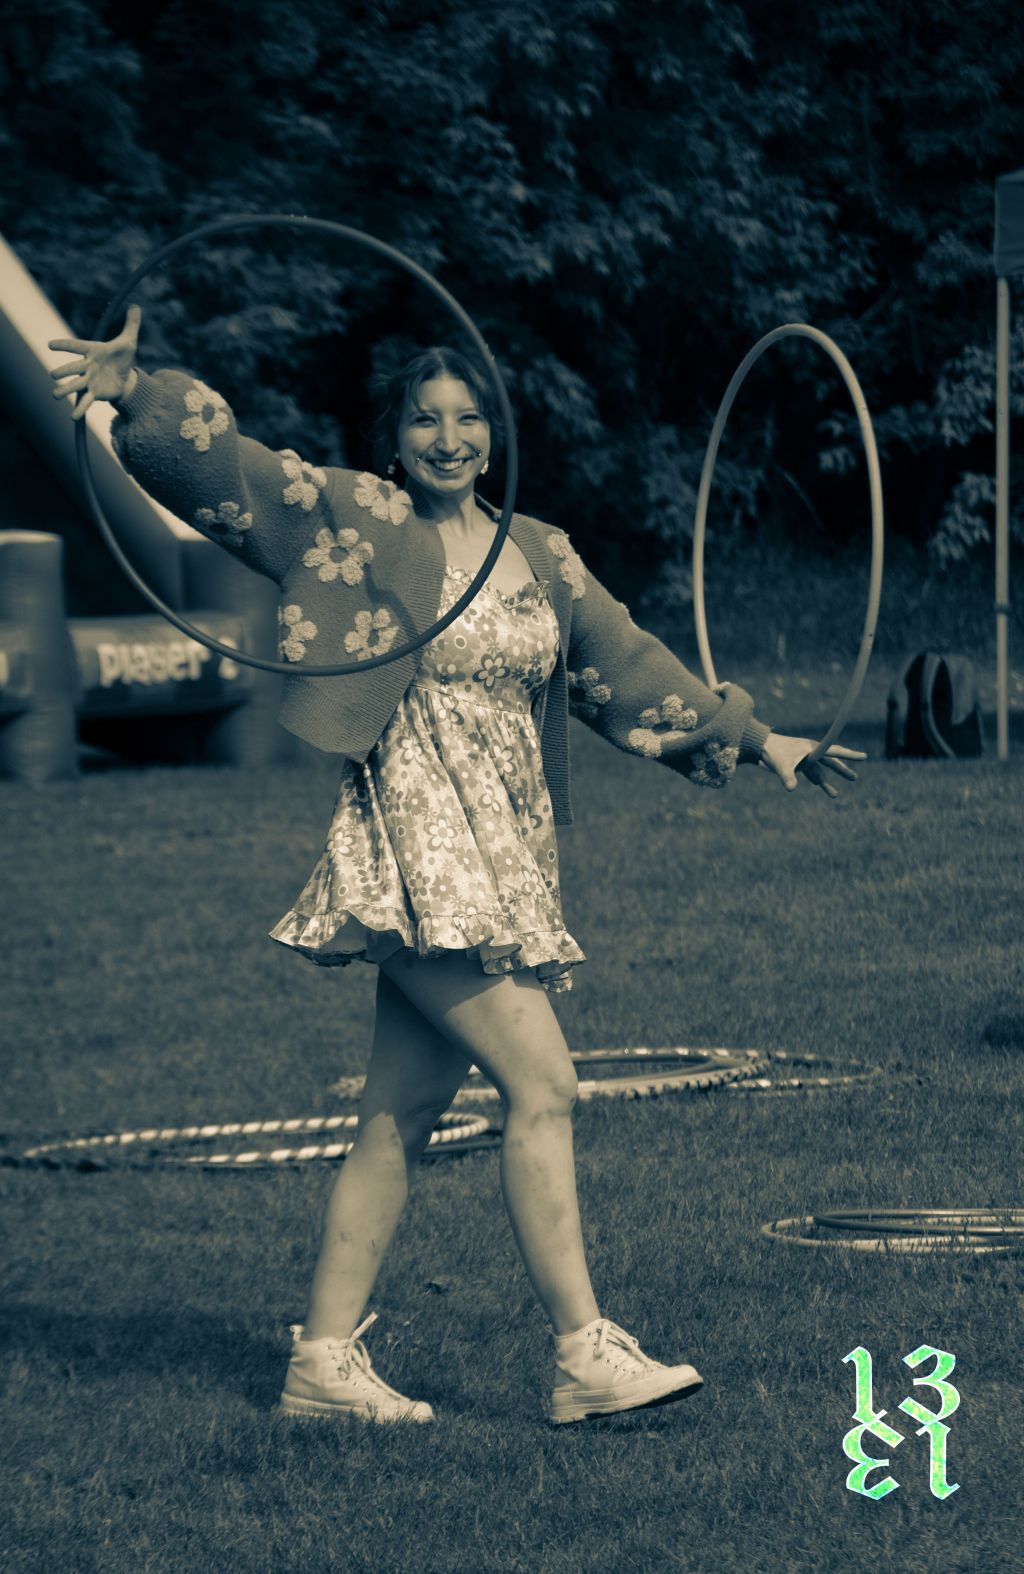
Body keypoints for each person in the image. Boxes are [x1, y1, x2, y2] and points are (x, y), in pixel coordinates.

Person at [49, 306, 865, 1427]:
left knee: (402, 1108)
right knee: (545, 1083)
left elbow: (625, 666)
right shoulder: (355, 518)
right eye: (426, 419)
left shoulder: (542, 553)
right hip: (417, 847)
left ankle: (321, 1363)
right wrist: (137, 390)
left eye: (468, 417)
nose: (449, 437)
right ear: (395, 438)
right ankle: (583, 1352)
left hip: (505, 852)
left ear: (494, 433)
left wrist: (763, 740)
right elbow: (230, 473)